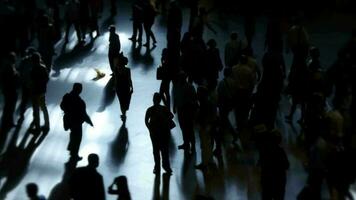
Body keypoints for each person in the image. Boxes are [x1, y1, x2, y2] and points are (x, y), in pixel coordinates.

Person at [60, 83, 93, 160]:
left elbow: (62, 106)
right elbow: (83, 114)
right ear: (80, 90)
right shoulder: (80, 101)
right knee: (77, 138)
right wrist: (89, 121)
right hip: (77, 122)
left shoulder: (66, 96)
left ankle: (72, 150)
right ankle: (74, 154)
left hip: (69, 120)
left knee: (73, 135)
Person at [145, 93, 173, 174]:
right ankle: (166, 166)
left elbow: (146, 120)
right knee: (165, 150)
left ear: (153, 100)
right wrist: (165, 120)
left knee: (156, 150)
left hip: (154, 133)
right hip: (164, 132)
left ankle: (157, 167)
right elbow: (171, 116)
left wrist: (149, 128)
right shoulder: (164, 109)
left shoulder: (150, 109)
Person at [259, 130, 289, 200]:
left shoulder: (264, 151)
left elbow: (261, 164)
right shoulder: (280, 152)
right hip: (279, 182)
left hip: (267, 181)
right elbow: (287, 165)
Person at [173, 72, 198, 153]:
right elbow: (176, 97)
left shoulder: (189, 87)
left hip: (187, 110)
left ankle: (192, 143)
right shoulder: (179, 86)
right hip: (181, 109)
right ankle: (186, 143)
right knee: (183, 127)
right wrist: (174, 106)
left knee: (188, 127)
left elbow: (194, 98)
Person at [31, 53, 50, 133]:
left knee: (36, 110)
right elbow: (47, 79)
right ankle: (46, 125)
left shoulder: (33, 69)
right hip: (42, 91)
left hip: (36, 91)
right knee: (43, 108)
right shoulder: (43, 68)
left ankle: (37, 128)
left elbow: (32, 81)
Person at [0, 52, 19, 131]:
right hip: (10, 90)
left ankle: (7, 122)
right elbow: (9, 79)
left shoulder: (9, 66)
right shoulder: (9, 68)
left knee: (9, 106)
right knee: (9, 106)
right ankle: (7, 122)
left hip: (9, 90)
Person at [18, 47, 36, 121]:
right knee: (33, 101)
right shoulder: (36, 62)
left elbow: (20, 71)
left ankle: (22, 115)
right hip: (32, 84)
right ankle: (35, 117)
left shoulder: (24, 61)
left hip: (25, 83)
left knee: (24, 100)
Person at [113, 53, 133, 121]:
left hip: (119, 87)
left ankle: (124, 114)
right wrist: (132, 87)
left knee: (121, 102)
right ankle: (124, 112)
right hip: (126, 87)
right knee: (126, 100)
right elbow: (129, 79)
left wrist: (115, 87)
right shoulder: (128, 70)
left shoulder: (116, 70)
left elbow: (116, 79)